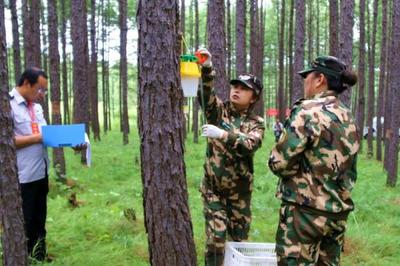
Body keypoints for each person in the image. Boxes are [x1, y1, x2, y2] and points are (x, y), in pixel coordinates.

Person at [268, 56, 360, 265]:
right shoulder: (347, 116)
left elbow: (279, 163)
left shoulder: (307, 110)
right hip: (337, 214)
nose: (304, 81)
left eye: (307, 76)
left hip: (304, 214)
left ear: (319, 79)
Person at [196, 48, 265, 266]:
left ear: (253, 96)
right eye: (235, 86)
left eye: (244, 89)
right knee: (216, 240)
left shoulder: (256, 122)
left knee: (239, 244)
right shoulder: (219, 111)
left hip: (240, 196)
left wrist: (223, 134)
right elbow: (205, 96)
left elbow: (250, 144)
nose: (236, 90)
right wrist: (206, 69)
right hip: (214, 191)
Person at [9, 67, 84, 261]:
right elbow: (7, 141)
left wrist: (71, 142)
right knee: (24, 220)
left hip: (41, 171)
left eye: (44, 90)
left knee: (39, 219)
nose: (41, 94)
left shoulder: (36, 107)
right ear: (26, 83)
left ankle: (39, 256)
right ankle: (23, 257)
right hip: (21, 175)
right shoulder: (7, 105)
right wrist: (38, 138)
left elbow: (47, 136)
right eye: (39, 89)